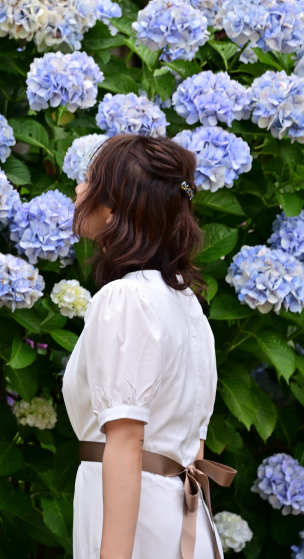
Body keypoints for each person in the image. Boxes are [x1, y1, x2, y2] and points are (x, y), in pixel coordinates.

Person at [63, 134, 235, 559]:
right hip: (178, 517)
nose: (79, 189)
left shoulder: (127, 299)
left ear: (112, 208)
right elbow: (192, 445)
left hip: (138, 526)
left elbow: (126, 442)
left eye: (89, 180)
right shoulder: (185, 304)